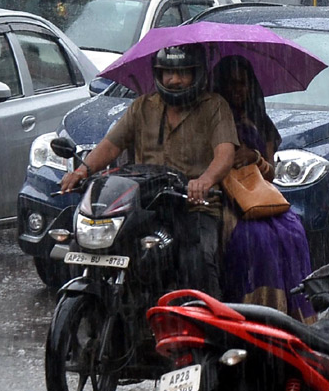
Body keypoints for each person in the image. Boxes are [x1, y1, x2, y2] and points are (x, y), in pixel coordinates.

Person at [59, 44, 237, 294]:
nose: (174, 80)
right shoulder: (142, 106)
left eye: (183, 72)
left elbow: (225, 154)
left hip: (192, 204)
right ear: (158, 74)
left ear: (197, 74)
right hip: (145, 204)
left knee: (196, 260)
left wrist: (204, 180)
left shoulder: (214, 106)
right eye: (168, 73)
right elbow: (111, 146)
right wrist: (82, 171)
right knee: (86, 246)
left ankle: (203, 327)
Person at [211, 57, 315, 321]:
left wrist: (254, 157)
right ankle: (253, 314)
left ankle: (288, 315)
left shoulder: (260, 121)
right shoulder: (212, 118)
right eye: (231, 84)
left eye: (243, 85)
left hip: (258, 195)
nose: (238, 90)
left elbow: (270, 173)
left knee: (292, 230)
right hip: (223, 198)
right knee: (256, 239)